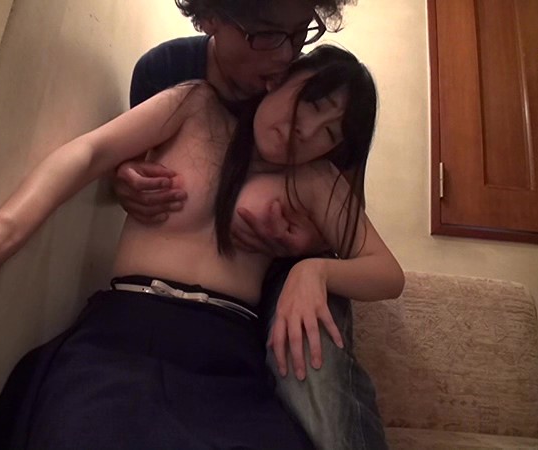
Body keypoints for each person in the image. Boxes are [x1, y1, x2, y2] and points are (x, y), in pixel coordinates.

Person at [0, 44, 403, 449]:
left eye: (330, 133)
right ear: (280, 78)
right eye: (313, 103)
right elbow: (91, 151)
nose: (308, 131)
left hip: (223, 356)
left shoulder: (314, 179)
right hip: (122, 332)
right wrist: (4, 230)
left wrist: (314, 271)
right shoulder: (195, 105)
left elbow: (387, 272)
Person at [115, 1, 392, 448]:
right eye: (267, 33)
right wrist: (124, 177)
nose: (284, 54)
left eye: (301, 33)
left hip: (289, 273)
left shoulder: (313, 100)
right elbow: (130, 160)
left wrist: (308, 254)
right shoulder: (171, 74)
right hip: (175, 306)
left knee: (313, 365)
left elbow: (353, 231)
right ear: (211, 19)